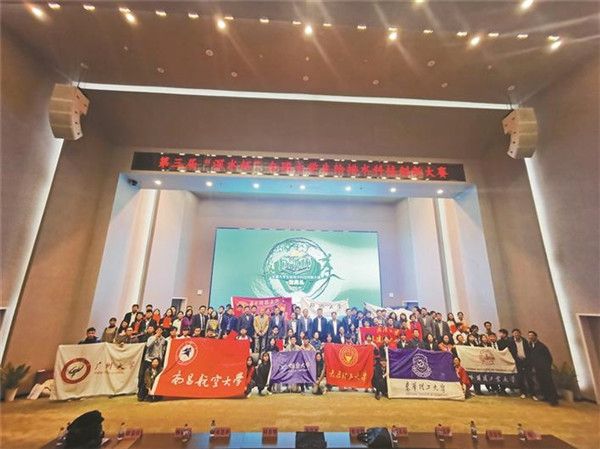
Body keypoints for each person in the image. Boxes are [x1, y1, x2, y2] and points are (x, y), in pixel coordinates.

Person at [528, 331, 558, 406]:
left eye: (532, 335)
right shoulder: (530, 345)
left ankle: (553, 400)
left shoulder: (541, 346)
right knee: (541, 383)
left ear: (536, 336)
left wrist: (546, 366)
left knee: (548, 383)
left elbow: (549, 357)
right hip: (537, 368)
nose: (530, 337)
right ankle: (546, 397)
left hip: (544, 368)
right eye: (529, 335)